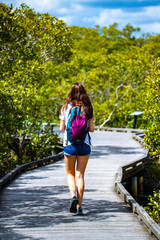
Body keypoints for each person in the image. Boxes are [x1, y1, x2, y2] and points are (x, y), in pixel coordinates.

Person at [59, 82, 94, 215]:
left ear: (71, 93)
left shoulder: (65, 108)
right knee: (80, 176)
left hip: (70, 144)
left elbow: (62, 129)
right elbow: (91, 129)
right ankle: (79, 206)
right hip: (84, 145)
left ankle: (73, 195)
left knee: (70, 174)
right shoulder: (88, 107)